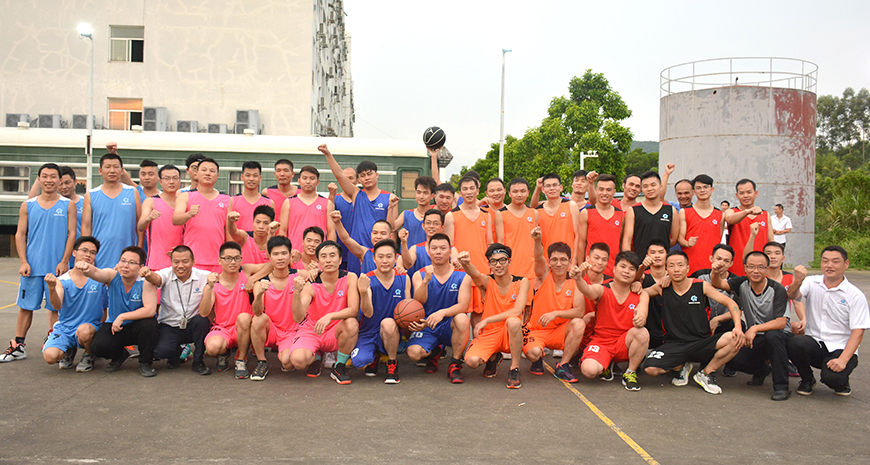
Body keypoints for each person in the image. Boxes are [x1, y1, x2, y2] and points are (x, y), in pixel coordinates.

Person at [1, 164, 76, 363]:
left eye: (53, 176)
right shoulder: (28, 205)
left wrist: (65, 261)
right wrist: (23, 261)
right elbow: (20, 234)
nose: (49, 180)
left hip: (57, 268)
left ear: (59, 180)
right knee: (26, 306)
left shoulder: (67, 205)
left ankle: (57, 345)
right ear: (39, 179)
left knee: (56, 308)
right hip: (32, 267)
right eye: (45, 176)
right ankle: (18, 346)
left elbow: (72, 234)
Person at [642, 251, 745, 395]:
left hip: (700, 342)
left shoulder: (701, 286)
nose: (676, 269)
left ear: (688, 268)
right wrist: (637, 284)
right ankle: (680, 366)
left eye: (680, 265)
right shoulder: (661, 288)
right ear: (666, 269)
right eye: (671, 266)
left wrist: (738, 327)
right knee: (650, 369)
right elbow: (642, 293)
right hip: (674, 344)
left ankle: (706, 373)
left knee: (735, 339)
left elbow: (731, 303)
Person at [787, 247, 870, 397]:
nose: (829, 265)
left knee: (832, 378)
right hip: (815, 343)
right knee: (794, 343)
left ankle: (842, 382)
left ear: (846, 264)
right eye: (825, 261)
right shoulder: (812, 282)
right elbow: (792, 295)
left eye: (835, 261)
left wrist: (843, 360)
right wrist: (798, 280)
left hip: (840, 348)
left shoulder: (855, 295)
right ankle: (807, 379)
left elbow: (858, 332)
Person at [711, 251, 792, 400]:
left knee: (772, 337)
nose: (756, 271)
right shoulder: (742, 283)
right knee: (734, 359)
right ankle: (762, 371)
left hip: (780, 336)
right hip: (756, 337)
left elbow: (781, 323)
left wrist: (754, 328)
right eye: (751, 267)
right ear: (745, 268)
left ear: (767, 269)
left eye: (761, 267)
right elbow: (718, 284)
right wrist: (715, 272)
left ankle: (782, 387)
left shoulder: (777, 289)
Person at [572, 251, 650, 391]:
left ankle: (630, 372)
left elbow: (642, 315)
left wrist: (640, 319)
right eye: (623, 267)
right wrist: (578, 279)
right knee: (589, 370)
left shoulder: (641, 294)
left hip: (623, 343)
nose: (626, 271)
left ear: (635, 274)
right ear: (614, 269)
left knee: (642, 332)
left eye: (631, 269)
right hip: (602, 342)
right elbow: (588, 291)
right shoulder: (602, 289)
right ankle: (606, 364)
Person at [289, 241, 361, 384]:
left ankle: (339, 366)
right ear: (318, 261)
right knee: (298, 361)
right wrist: (297, 292)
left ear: (340, 260)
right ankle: (316, 356)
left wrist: (330, 316)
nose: (328, 260)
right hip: (313, 330)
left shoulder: (350, 277)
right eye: (323, 256)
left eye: (332, 256)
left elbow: (353, 309)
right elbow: (298, 317)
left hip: (335, 329)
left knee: (352, 323)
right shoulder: (311, 283)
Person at [320, 144, 398, 274]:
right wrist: (328, 154)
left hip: (380, 252)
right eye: (362, 175)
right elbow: (339, 175)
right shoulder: (356, 194)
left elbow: (392, 228)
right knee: (355, 282)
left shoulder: (389, 197)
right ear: (359, 179)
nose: (366, 178)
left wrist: (391, 207)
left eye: (369, 174)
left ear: (377, 175)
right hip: (357, 250)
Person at [459, 245, 529, 389]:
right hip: (490, 333)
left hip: (509, 333)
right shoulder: (487, 281)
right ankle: (494, 357)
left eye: (502, 260)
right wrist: (466, 263)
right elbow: (474, 274)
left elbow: (517, 311)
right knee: (472, 361)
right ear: (489, 265)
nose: (498, 265)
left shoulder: (522, 282)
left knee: (514, 321)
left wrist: (487, 319)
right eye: (493, 261)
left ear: (509, 261)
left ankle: (514, 369)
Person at [83, 246, 160, 377]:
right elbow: (96, 273)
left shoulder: (145, 281)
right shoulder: (112, 275)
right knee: (98, 347)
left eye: (131, 263)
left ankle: (145, 362)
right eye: (123, 261)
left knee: (149, 325)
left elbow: (150, 310)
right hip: (115, 325)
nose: (125, 266)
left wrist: (123, 316)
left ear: (141, 267)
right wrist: (87, 269)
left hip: (138, 325)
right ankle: (119, 355)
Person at [407, 234, 472, 383]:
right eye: (434, 248)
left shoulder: (463, 276)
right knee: (414, 354)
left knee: (462, 319)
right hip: (427, 324)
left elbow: (463, 305)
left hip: (449, 324)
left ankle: (455, 363)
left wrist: (442, 313)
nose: (438, 252)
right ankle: (434, 351)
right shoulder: (419, 275)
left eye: (443, 248)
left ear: (450, 251)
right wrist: (426, 281)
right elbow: (418, 301)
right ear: (428, 251)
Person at [524, 228, 586, 382]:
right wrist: (537, 240)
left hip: (559, 331)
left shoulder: (575, 282)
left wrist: (556, 313)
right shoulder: (543, 276)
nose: (559, 264)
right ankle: (538, 358)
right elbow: (538, 257)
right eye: (555, 260)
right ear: (549, 262)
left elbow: (579, 311)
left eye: (563, 260)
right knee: (533, 353)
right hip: (537, 330)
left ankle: (563, 365)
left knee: (579, 324)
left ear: (570, 262)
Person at [139, 245, 212, 375]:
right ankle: (176, 353)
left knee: (202, 321)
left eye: (185, 261)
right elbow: (156, 278)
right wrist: (147, 274)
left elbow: (221, 279)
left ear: (193, 261)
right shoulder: (166, 273)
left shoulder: (204, 276)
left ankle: (198, 361)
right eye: (176, 262)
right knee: (161, 352)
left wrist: (215, 278)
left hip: (192, 324)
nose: (180, 266)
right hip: (170, 325)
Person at [41, 236, 107, 372]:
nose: (88, 255)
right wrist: (52, 288)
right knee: (50, 357)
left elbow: (105, 308)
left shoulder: (100, 279)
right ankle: (68, 349)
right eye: (84, 250)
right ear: (74, 252)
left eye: (92, 252)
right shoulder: (62, 280)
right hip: (66, 328)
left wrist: (101, 332)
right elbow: (57, 306)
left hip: (89, 327)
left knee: (84, 331)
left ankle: (89, 353)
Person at [351, 239, 408, 383]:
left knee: (388, 323)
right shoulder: (367, 280)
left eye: (389, 256)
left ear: (396, 258)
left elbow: (408, 306)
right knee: (360, 363)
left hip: (391, 329)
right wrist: (364, 292)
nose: (385, 261)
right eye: (380, 257)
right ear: (374, 259)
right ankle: (375, 355)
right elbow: (368, 313)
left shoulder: (404, 278)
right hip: (368, 330)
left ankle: (392, 363)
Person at [198, 241, 260, 373]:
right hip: (223, 328)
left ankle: (241, 360)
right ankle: (224, 353)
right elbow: (203, 312)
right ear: (219, 260)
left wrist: (252, 279)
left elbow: (270, 266)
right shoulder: (214, 283)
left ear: (241, 259)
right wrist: (209, 288)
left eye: (237, 258)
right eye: (228, 258)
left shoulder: (245, 272)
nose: (233, 262)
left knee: (244, 318)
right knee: (212, 348)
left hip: (244, 327)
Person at [246, 236, 302, 381]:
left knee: (288, 363)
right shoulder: (262, 282)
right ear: (269, 256)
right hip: (272, 330)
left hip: (292, 330)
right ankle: (262, 362)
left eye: (284, 253)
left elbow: (322, 276)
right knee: (258, 319)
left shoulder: (299, 276)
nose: (280, 258)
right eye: (275, 254)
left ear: (290, 255)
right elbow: (257, 311)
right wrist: (259, 294)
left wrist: (315, 271)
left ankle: (287, 352)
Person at [446, 175, 499, 313]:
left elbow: (489, 244)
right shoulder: (451, 215)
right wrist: (455, 258)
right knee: (461, 313)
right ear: (460, 193)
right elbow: (449, 245)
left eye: (472, 188)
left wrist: (492, 266)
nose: (469, 192)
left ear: (477, 191)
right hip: (460, 270)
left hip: (481, 269)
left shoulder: (486, 215)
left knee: (480, 311)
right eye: (465, 189)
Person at [82, 153, 141, 268]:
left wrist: (139, 248)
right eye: (108, 167)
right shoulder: (91, 195)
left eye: (116, 167)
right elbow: (86, 226)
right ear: (100, 171)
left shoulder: (132, 192)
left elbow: (139, 224)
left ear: (122, 170)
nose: (112, 170)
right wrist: (86, 253)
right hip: (100, 255)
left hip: (127, 256)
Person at [172, 158, 230, 273]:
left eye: (212, 171)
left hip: (218, 260)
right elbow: (175, 219)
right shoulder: (186, 196)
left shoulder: (227, 199)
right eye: (204, 170)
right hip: (192, 260)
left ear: (217, 176)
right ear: (197, 173)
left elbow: (228, 231)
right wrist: (189, 214)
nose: (208, 173)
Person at [622, 170, 679, 259]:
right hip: (640, 262)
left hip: (662, 264)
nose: (649, 189)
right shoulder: (633, 210)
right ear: (642, 189)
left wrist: (659, 251)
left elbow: (673, 239)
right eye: (645, 186)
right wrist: (629, 260)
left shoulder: (671, 210)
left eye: (653, 185)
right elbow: (627, 240)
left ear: (660, 186)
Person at [279, 165, 335, 253]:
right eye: (304, 178)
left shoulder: (327, 203)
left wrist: (329, 252)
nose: (308, 181)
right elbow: (283, 230)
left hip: (319, 255)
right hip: (294, 253)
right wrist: (284, 252)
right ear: (299, 181)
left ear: (318, 182)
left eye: (312, 178)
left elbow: (331, 231)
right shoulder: (288, 203)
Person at [138, 164, 184, 271]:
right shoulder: (151, 201)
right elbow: (140, 226)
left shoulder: (185, 202)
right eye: (167, 178)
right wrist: (149, 218)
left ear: (179, 181)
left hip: (182, 261)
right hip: (157, 261)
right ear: (161, 181)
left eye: (175, 178)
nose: (171, 182)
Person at [724, 179, 774, 276]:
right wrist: (748, 211)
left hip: (760, 268)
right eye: (742, 193)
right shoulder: (732, 211)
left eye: (749, 192)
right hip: (737, 267)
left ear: (756, 193)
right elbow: (729, 219)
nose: (746, 195)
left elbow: (771, 241)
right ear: (737, 196)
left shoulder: (765, 214)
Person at [579, 174, 624, 276]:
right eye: (601, 189)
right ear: (596, 190)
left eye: (608, 190)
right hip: (591, 271)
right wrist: (581, 268)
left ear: (614, 192)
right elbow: (581, 243)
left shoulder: (620, 215)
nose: (604, 193)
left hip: (613, 271)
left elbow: (621, 244)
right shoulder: (586, 213)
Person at [690, 244, 740, 335]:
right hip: (701, 324)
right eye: (719, 259)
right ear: (711, 258)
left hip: (725, 324)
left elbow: (739, 310)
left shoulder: (736, 281)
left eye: (726, 261)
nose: (721, 263)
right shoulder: (699, 276)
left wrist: (718, 319)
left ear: (731, 264)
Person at [679, 174, 724, 273]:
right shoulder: (684, 212)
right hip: (690, 266)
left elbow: (718, 239)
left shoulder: (720, 214)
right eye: (698, 188)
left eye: (705, 187)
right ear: (694, 192)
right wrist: (687, 243)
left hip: (712, 267)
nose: (702, 190)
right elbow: (680, 238)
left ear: (712, 189)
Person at [332, 212, 398, 274]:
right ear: (371, 235)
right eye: (375, 233)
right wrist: (337, 222)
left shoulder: (398, 258)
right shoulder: (364, 253)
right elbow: (346, 239)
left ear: (390, 236)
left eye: (383, 233)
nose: (378, 236)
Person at [499, 178, 538, 280]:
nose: (519, 194)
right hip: (510, 268)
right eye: (515, 191)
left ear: (528, 193)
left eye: (523, 191)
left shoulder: (534, 213)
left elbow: (537, 242)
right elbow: (500, 243)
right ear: (509, 194)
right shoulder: (501, 214)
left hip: (531, 268)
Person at [536, 173, 580, 263]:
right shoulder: (537, 211)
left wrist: (574, 260)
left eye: (555, 185)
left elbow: (578, 236)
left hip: (568, 261)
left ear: (561, 187)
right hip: (547, 262)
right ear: (543, 189)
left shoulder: (571, 205)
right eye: (548, 186)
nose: (552, 188)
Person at [400, 209, 445, 281]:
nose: (431, 226)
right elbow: (408, 265)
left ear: (442, 227)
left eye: (436, 223)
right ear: (423, 226)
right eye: (428, 223)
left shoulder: (451, 249)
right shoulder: (415, 248)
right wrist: (404, 243)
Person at [640, 239, 669, 350]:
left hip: (671, 333)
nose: (657, 256)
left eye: (661, 252)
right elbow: (633, 278)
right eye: (653, 252)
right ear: (647, 256)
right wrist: (642, 267)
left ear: (666, 255)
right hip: (648, 332)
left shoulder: (674, 276)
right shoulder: (642, 276)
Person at [327, 166, 358, 270]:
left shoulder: (362, 199)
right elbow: (328, 215)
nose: (347, 181)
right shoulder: (336, 198)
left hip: (357, 247)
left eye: (351, 178)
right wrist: (331, 195)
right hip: (340, 247)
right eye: (345, 178)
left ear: (357, 181)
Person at [393, 176, 437, 246]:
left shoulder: (436, 217)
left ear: (432, 196)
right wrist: (391, 207)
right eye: (419, 192)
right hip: (407, 252)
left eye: (425, 193)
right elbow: (392, 228)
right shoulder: (406, 214)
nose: (421, 196)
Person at [231, 161, 274, 233]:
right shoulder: (232, 201)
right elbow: (228, 229)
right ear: (242, 177)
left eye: (255, 176)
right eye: (248, 175)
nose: (251, 179)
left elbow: (272, 230)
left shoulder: (269, 203)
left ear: (260, 178)